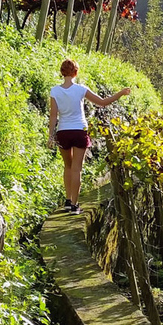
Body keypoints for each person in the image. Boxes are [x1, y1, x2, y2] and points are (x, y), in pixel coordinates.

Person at [47, 59, 130, 214]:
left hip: (62, 131)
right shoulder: (80, 89)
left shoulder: (55, 91)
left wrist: (50, 136)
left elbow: (53, 116)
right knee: (77, 169)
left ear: (61, 72)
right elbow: (103, 103)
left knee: (68, 166)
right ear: (75, 72)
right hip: (79, 130)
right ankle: (74, 205)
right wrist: (120, 93)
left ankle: (67, 201)